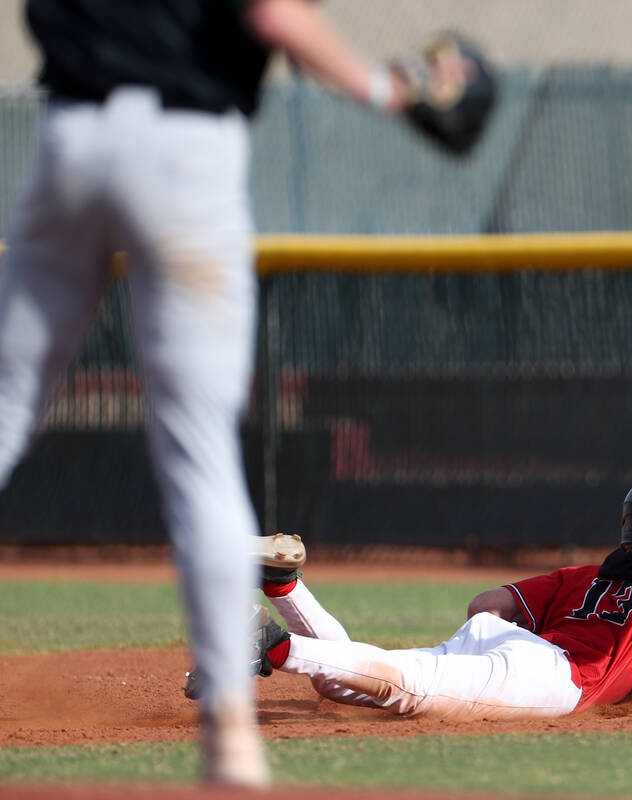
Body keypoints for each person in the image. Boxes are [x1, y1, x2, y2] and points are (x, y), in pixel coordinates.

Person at [2, 0, 480, 787]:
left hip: (72, 139)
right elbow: (274, 14)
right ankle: (229, 737)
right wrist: (388, 88)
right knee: (195, 444)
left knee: (7, 402)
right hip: (184, 149)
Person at [245, 476, 632, 720]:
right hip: (553, 677)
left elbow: (484, 606)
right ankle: (273, 646)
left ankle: (284, 588)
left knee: (347, 683)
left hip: (506, 644)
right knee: (409, 686)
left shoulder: (585, 572)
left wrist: (504, 650)